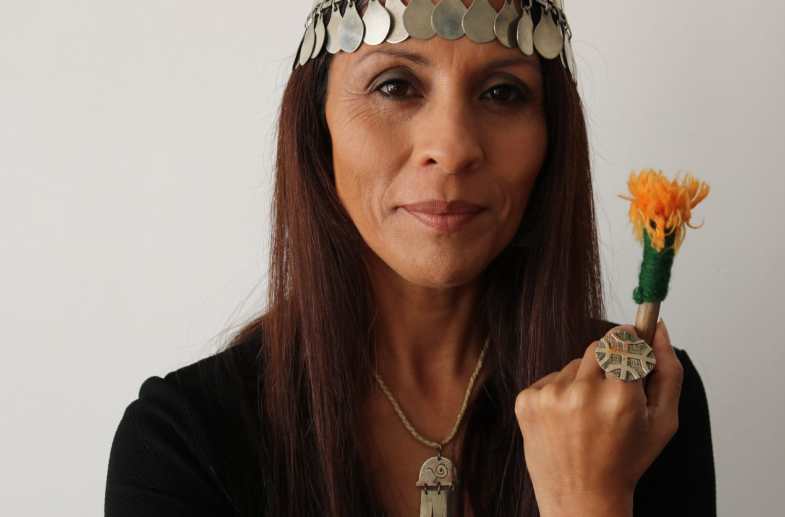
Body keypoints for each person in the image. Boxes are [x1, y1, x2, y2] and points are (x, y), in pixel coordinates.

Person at [104, 1, 716, 516]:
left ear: (552, 138)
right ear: (317, 125)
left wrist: (592, 496)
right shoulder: (183, 440)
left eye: (502, 92)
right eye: (394, 85)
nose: (451, 147)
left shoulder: (643, 404)